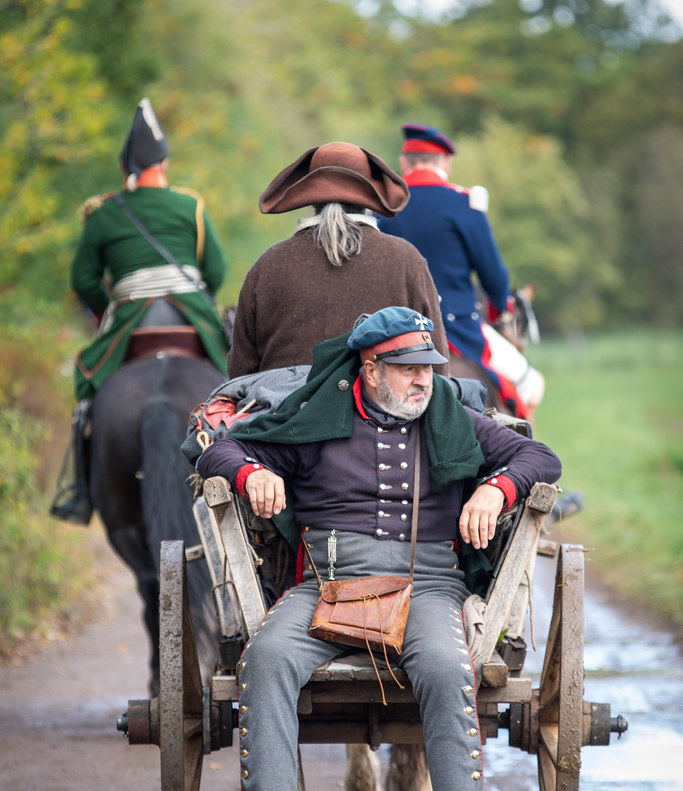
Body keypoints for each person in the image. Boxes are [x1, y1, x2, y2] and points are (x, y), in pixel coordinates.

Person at [196, 305, 562, 791]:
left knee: (448, 669)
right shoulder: (314, 419)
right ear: (369, 369)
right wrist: (249, 474)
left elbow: (539, 458)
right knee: (266, 657)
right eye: (408, 368)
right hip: (327, 586)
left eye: (430, 366)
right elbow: (217, 450)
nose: (425, 379)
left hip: (429, 589)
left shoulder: (453, 418)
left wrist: (497, 488)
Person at [52, 98, 228, 523]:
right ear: (163, 163)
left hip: (129, 325)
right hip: (191, 320)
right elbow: (215, 272)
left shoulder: (102, 214)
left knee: (89, 391)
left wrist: (103, 312)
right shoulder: (190, 207)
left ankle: (79, 491)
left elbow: (83, 281)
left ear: (124, 167)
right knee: (237, 383)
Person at [227, 141, 449, 379]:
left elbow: (241, 370)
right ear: (367, 199)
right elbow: (435, 365)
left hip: (284, 414)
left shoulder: (268, 263)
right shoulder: (406, 259)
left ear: (311, 197)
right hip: (386, 412)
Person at [378, 123, 538, 417]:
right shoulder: (463, 204)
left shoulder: (384, 207)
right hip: (457, 329)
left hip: (393, 326)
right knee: (531, 386)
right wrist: (502, 305)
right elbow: (493, 274)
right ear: (446, 162)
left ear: (404, 161)